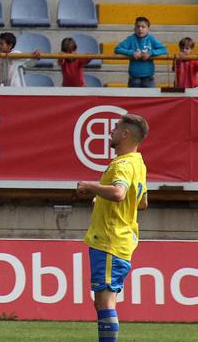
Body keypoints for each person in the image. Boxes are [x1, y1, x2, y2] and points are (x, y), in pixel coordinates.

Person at [77, 113, 149, 342]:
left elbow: (119, 193)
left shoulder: (123, 165)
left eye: (116, 128)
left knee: (104, 301)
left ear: (126, 133)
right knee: (104, 300)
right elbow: (143, 202)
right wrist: (102, 198)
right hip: (120, 238)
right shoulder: (138, 163)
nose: (112, 131)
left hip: (110, 239)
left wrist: (91, 187)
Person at [114, 16, 168, 88]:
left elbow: (164, 49)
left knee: (150, 98)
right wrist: (131, 53)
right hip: (134, 77)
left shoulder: (151, 39)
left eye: (143, 27)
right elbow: (117, 49)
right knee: (133, 98)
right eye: (138, 26)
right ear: (134, 29)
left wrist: (150, 53)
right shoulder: (131, 39)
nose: (140, 29)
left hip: (149, 77)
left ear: (148, 29)